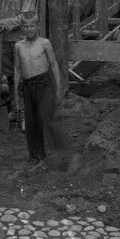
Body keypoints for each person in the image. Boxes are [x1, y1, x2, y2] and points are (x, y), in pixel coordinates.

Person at [14, 11, 79, 168]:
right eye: (26, 26)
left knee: (46, 118)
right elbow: (17, 70)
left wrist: (59, 87)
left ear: (38, 26)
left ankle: (66, 152)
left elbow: (54, 64)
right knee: (30, 123)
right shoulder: (18, 46)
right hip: (28, 86)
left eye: (32, 26)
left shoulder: (44, 43)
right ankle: (37, 156)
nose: (29, 29)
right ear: (22, 28)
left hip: (44, 85)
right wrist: (17, 94)